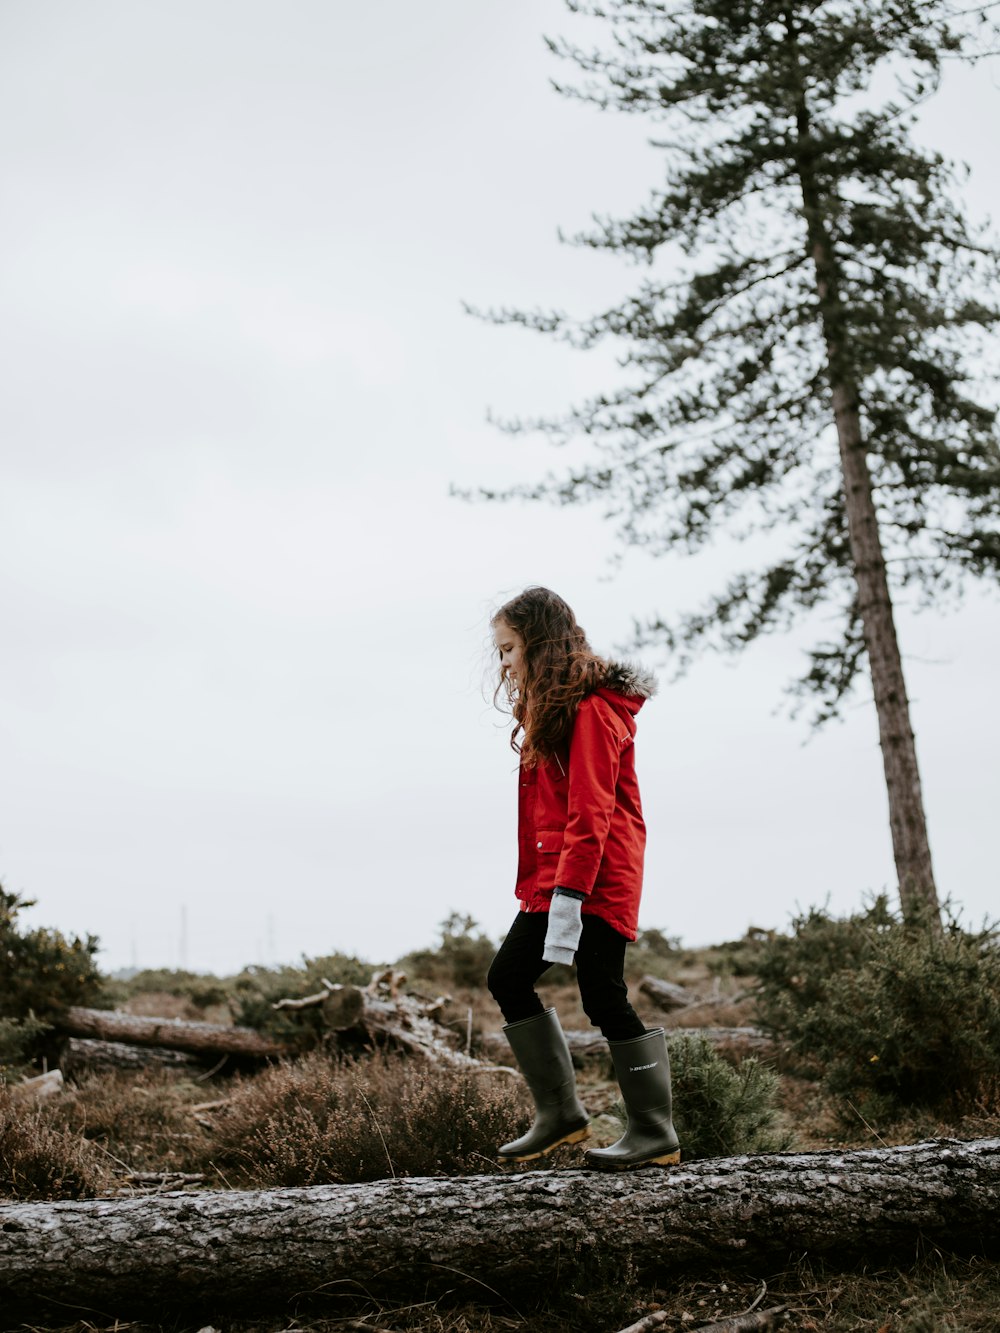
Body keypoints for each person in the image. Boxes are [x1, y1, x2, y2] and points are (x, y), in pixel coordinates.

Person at [486, 586, 680, 1171]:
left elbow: (591, 811)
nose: (504, 663)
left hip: (595, 877)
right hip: (561, 877)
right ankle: (562, 1116)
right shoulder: (553, 710)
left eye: (508, 649)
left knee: (601, 995)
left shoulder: (594, 709)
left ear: (538, 646)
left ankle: (653, 1132)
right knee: (508, 978)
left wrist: (569, 895)